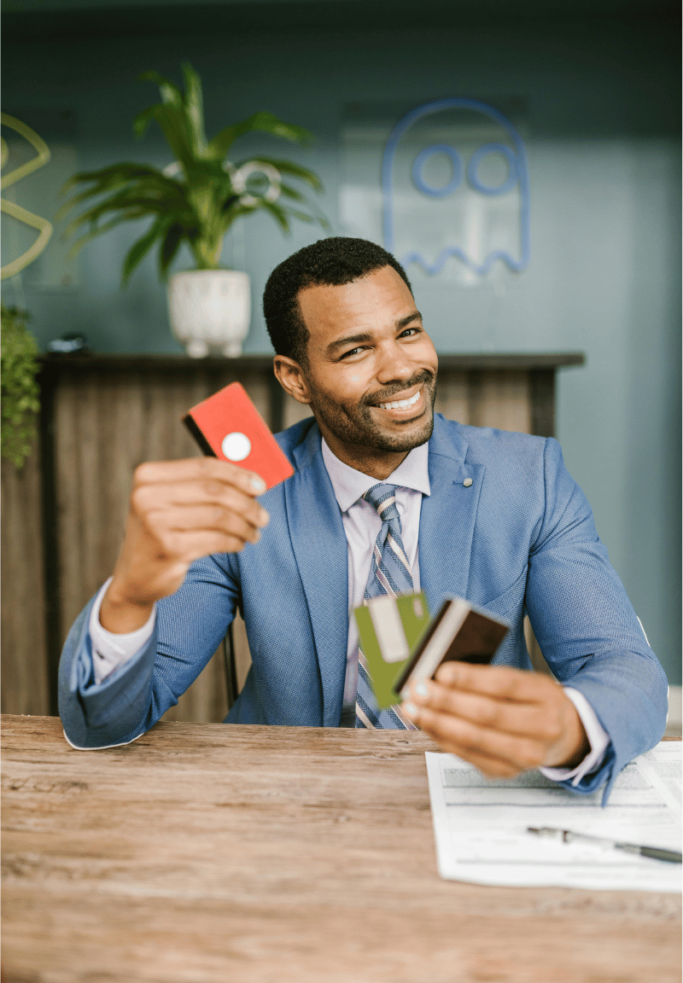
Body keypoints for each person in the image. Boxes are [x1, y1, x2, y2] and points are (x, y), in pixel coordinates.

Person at [59, 237, 667, 802]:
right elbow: (104, 723)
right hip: (284, 803)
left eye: (409, 331)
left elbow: (623, 669)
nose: (401, 367)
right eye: (355, 350)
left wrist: (569, 727)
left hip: (476, 795)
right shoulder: (246, 489)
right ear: (295, 378)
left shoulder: (527, 476)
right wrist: (130, 598)